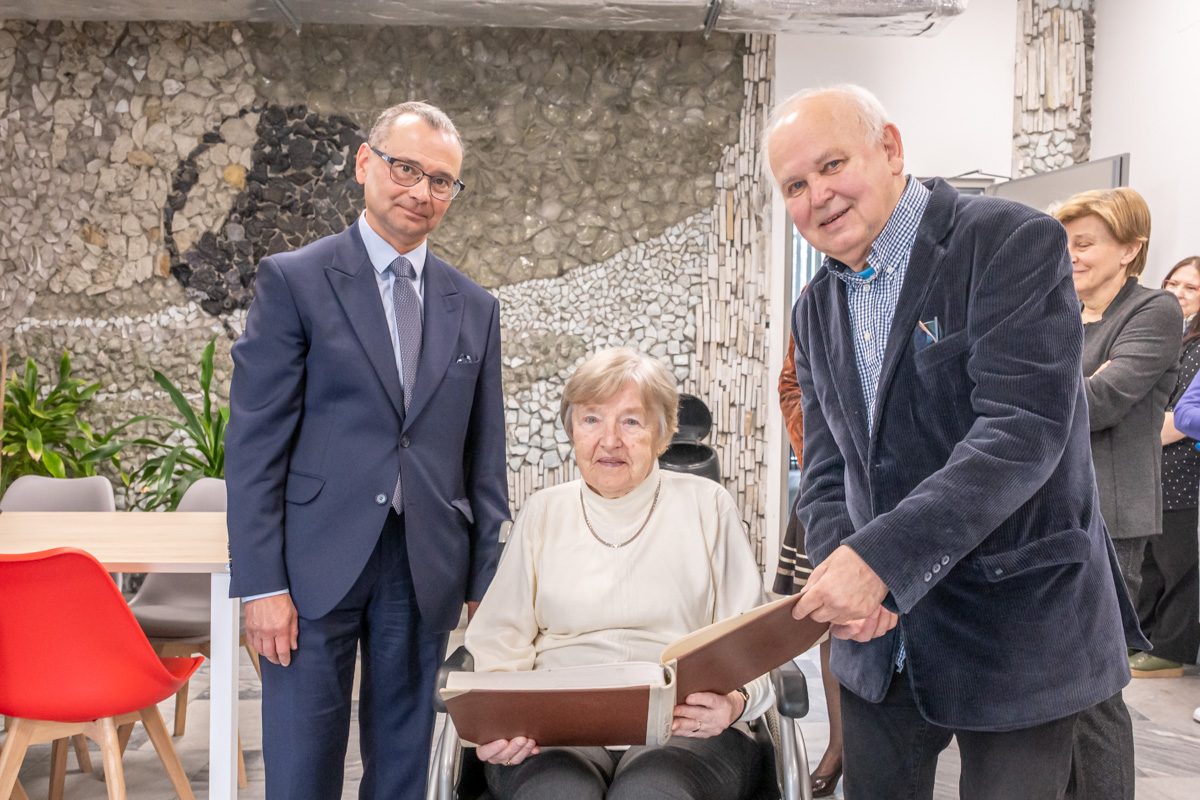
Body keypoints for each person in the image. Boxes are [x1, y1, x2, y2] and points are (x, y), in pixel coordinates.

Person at [765, 84, 1144, 800]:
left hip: (1014, 624)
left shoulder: (1008, 242)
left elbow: (1020, 431)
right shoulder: (814, 306)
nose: (818, 195)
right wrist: (852, 577)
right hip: (880, 641)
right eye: (795, 185)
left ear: (890, 148)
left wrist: (880, 560)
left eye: (832, 164)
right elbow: (824, 467)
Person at [225, 102, 509, 800]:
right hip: (311, 564)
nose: (421, 191)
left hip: (425, 564)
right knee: (302, 766)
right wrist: (262, 585)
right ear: (364, 164)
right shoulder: (294, 280)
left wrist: (488, 583)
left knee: (405, 767)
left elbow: (485, 459)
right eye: (406, 168)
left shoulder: (474, 306)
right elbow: (255, 445)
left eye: (441, 181)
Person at [464, 347, 773, 800]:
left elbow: (753, 639)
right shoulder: (543, 512)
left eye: (631, 421)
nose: (609, 440)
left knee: (650, 793)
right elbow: (498, 639)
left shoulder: (707, 506)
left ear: (662, 434)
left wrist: (736, 701)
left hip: (685, 728)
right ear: (572, 429)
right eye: (591, 419)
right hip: (554, 732)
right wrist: (501, 719)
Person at [1051, 188, 1180, 799]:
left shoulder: (1154, 310)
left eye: (1084, 244)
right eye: (1065, 245)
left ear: (1130, 249)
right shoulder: (1058, 310)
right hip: (1051, 512)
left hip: (1111, 517)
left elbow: (1102, 400)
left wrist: (1033, 389)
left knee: (1094, 689)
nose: (1070, 256)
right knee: (1057, 685)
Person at [775, 332, 842, 798]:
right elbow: (791, 383)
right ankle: (839, 745)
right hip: (829, 481)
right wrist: (822, 444)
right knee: (831, 621)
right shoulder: (816, 303)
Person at [1134, 256, 1200, 678]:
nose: (1178, 292)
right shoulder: (1168, 334)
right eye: (1172, 283)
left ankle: (1170, 650)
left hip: (1181, 470)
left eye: (1191, 287)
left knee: (1179, 565)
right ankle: (1143, 638)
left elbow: (1180, 417)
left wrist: (1135, 434)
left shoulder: (1197, 345)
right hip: (1151, 464)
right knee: (1148, 561)